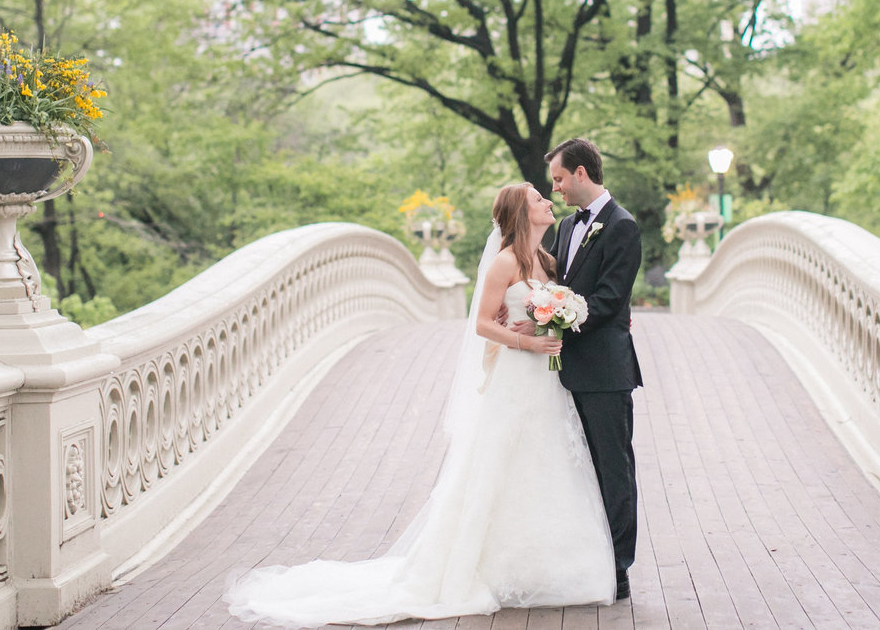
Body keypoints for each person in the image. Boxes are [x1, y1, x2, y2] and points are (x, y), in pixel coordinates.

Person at [223, 183, 615, 626]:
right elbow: (484, 325)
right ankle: (485, 567)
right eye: (538, 199)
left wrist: (578, 316)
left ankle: (549, 567)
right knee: (503, 463)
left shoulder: (547, 259)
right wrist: (524, 341)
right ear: (523, 215)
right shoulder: (504, 263)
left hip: (547, 383)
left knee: (547, 463)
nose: (548, 201)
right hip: (517, 377)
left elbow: (565, 304)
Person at [525, 137, 643, 602]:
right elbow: (556, 282)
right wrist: (535, 306)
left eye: (558, 179)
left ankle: (618, 568)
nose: (555, 188)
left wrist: (557, 317)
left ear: (580, 173)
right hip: (566, 370)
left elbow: (612, 300)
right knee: (578, 470)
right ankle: (584, 559)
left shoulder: (622, 226)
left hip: (606, 372)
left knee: (613, 468)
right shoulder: (571, 225)